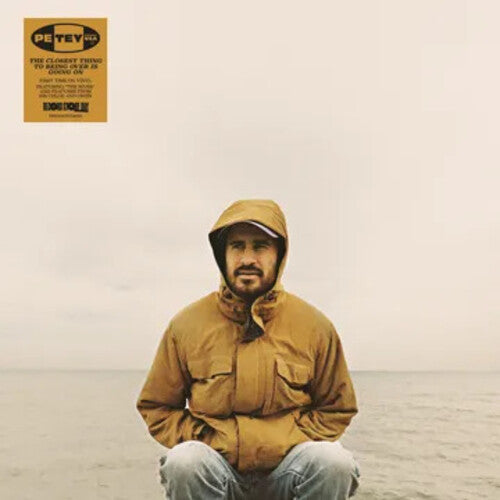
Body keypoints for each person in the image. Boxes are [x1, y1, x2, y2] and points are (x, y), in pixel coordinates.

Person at [136, 199, 360, 500]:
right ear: (223, 255)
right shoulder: (185, 326)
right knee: (185, 462)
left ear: (279, 254)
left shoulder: (315, 326)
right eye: (237, 246)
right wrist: (210, 439)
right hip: (218, 468)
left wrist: (282, 442)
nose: (247, 258)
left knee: (334, 463)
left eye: (260, 246)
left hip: (288, 470)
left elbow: (337, 408)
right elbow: (157, 407)